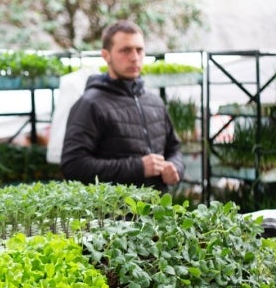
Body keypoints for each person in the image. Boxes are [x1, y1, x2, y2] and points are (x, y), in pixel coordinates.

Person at [60, 20, 184, 192]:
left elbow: (174, 148)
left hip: (159, 213)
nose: (134, 57)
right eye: (125, 50)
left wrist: (175, 167)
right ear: (106, 55)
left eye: (139, 50)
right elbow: (73, 165)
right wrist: (138, 167)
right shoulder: (90, 104)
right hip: (113, 216)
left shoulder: (154, 102)